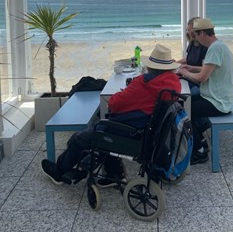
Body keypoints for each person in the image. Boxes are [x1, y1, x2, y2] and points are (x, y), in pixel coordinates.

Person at [41, 44, 181, 187]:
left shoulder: (142, 84)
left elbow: (113, 104)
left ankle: (58, 172)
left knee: (80, 138)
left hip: (132, 133)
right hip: (149, 133)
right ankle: (114, 173)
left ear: (150, 66)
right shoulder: (174, 85)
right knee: (104, 130)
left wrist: (123, 94)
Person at [178, 18, 233, 165]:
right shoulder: (219, 46)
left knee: (184, 111)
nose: (196, 39)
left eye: (196, 35)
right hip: (216, 97)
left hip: (219, 102)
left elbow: (202, 77)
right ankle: (201, 143)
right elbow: (209, 69)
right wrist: (191, 68)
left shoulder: (215, 48)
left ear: (203, 32)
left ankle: (199, 151)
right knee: (183, 104)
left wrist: (185, 73)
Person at [178, 17, 208, 96]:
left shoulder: (205, 46)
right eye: (188, 30)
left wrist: (188, 70)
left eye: (191, 30)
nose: (189, 32)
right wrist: (175, 62)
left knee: (183, 94)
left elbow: (205, 69)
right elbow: (188, 58)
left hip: (199, 83)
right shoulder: (192, 42)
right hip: (189, 77)